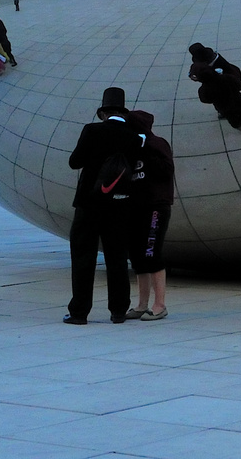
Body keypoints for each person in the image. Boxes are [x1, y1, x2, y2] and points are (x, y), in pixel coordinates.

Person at [65, 89, 143, 324]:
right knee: (117, 257)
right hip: (119, 203)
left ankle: (79, 312)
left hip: (89, 203)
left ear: (102, 113)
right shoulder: (134, 135)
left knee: (83, 256)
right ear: (123, 112)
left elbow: (74, 162)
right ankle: (118, 310)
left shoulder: (92, 130)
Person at [125, 110, 174, 321]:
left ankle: (160, 304)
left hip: (156, 206)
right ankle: (142, 303)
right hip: (136, 206)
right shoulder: (131, 149)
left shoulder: (156, 144)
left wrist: (145, 151)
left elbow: (166, 169)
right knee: (137, 256)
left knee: (151, 253)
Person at [187, 43, 241, 133]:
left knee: (235, 122)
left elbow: (205, 99)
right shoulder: (228, 78)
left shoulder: (204, 89)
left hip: (224, 108)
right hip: (239, 101)